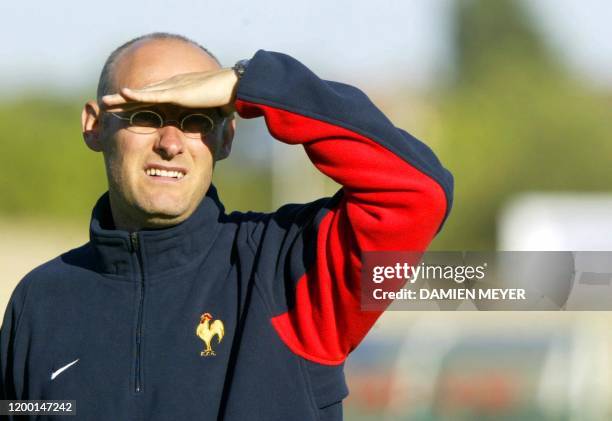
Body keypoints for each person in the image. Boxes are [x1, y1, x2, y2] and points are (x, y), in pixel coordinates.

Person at [0, 32, 453, 420]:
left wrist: (248, 84)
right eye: (146, 115)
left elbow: (416, 193)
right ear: (94, 126)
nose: (171, 143)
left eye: (197, 119)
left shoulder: (289, 268)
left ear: (226, 138)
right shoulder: (40, 300)